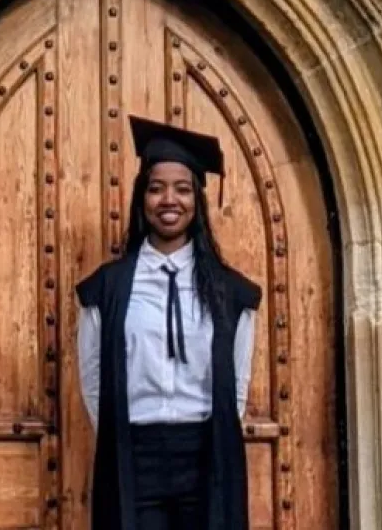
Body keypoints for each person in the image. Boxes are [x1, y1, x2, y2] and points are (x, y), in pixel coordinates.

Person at [75, 115, 262, 530]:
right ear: (142, 199)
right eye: (156, 189)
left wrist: (216, 438)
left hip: (205, 452)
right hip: (135, 454)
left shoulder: (230, 292)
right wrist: (120, 436)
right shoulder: (107, 289)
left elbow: (238, 381)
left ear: (197, 201)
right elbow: (93, 379)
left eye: (182, 189)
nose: (168, 200)